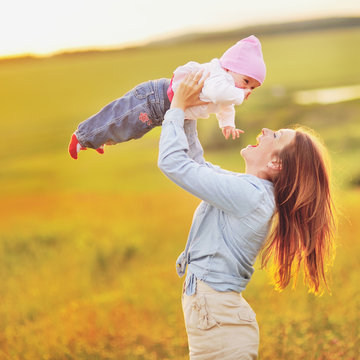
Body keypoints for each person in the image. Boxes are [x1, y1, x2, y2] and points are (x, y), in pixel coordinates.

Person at [158, 72, 335, 359]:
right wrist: (189, 112)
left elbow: (173, 163)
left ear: (276, 162)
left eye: (275, 136)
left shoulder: (250, 197)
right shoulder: (250, 191)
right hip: (220, 324)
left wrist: (177, 107)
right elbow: (195, 163)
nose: (265, 130)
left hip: (222, 327)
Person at [68, 35, 266, 159]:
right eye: (246, 81)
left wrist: (227, 124)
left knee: (131, 130)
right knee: (123, 116)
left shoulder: (228, 85)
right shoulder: (218, 76)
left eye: (253, 87)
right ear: (231, 67)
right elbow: (218, 93)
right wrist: (241, 93)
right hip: (156, 98)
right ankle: (83, 137)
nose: (246, 88)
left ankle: (98, 139)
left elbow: (225, 105)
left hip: (169, 110)